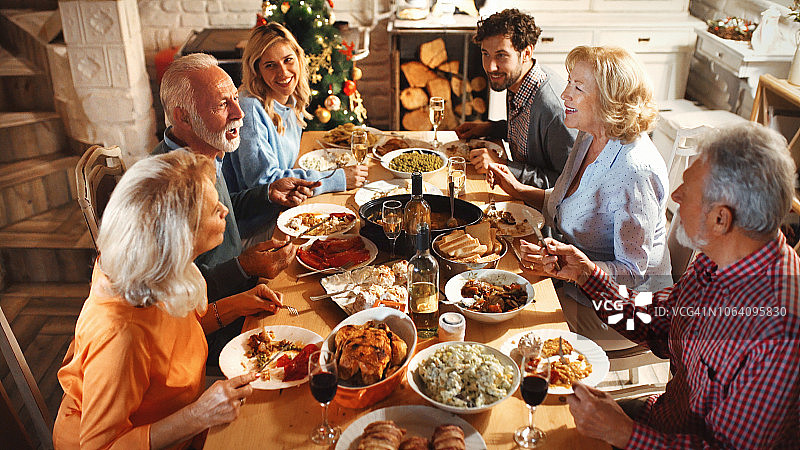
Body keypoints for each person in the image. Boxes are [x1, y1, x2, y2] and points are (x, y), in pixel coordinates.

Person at [538, 123, 800, 448]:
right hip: (661, 420)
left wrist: (624, 433)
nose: (674, 196)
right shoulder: (719, 254)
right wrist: (586, 275)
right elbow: (658, 322)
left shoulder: (777, 328)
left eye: (686, 191)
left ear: (721, 219)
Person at [54, 151, 276, 448]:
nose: (225, 209)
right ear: (178, 237)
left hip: (184, 418)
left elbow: (176, 336)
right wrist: (197, 416)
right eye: (213, 210)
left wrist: (239, 303)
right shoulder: (122, 335)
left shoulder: (152, 267)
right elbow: (99, 446)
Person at [490, 46, 671, 350]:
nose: (564, 94)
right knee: (495, 287)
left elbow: (631, 273)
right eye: (569, 83)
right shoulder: (590, 136)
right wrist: (519, 191)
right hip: (574, 280)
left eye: (577, 87)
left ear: (610, 99)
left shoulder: (633, 169)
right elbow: (568, 203)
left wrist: (575, 270)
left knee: (512, 326)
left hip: (623, 312)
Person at [155, 53, 317, 302]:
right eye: (222, 105)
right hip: (218, 316)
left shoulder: (204, 151)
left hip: (240, 278)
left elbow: (218, 213)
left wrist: (267, 194)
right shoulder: (165, 187)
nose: (240, 113)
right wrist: (244, 267)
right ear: (183, 117)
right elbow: (174, 294)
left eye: (235, 99)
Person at [223, 22, 368, 196]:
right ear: (257, 70)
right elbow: (265, 182)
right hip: (258, 217)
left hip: (287, 202)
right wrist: (336, 179)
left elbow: (285, 169)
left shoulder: (291, 99)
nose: (283, 72)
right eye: (270, 65)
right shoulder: (250, 108)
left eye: (288, 60)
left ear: (298, 58)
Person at [454, 8, 575, 188]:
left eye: (501, 55)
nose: (490, 67)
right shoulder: (516, 81)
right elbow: (526, 134)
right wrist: (491, 128)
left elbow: (569, 184)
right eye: (485, 54)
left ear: (526, 53)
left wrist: (503, 165)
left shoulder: (553, 109)